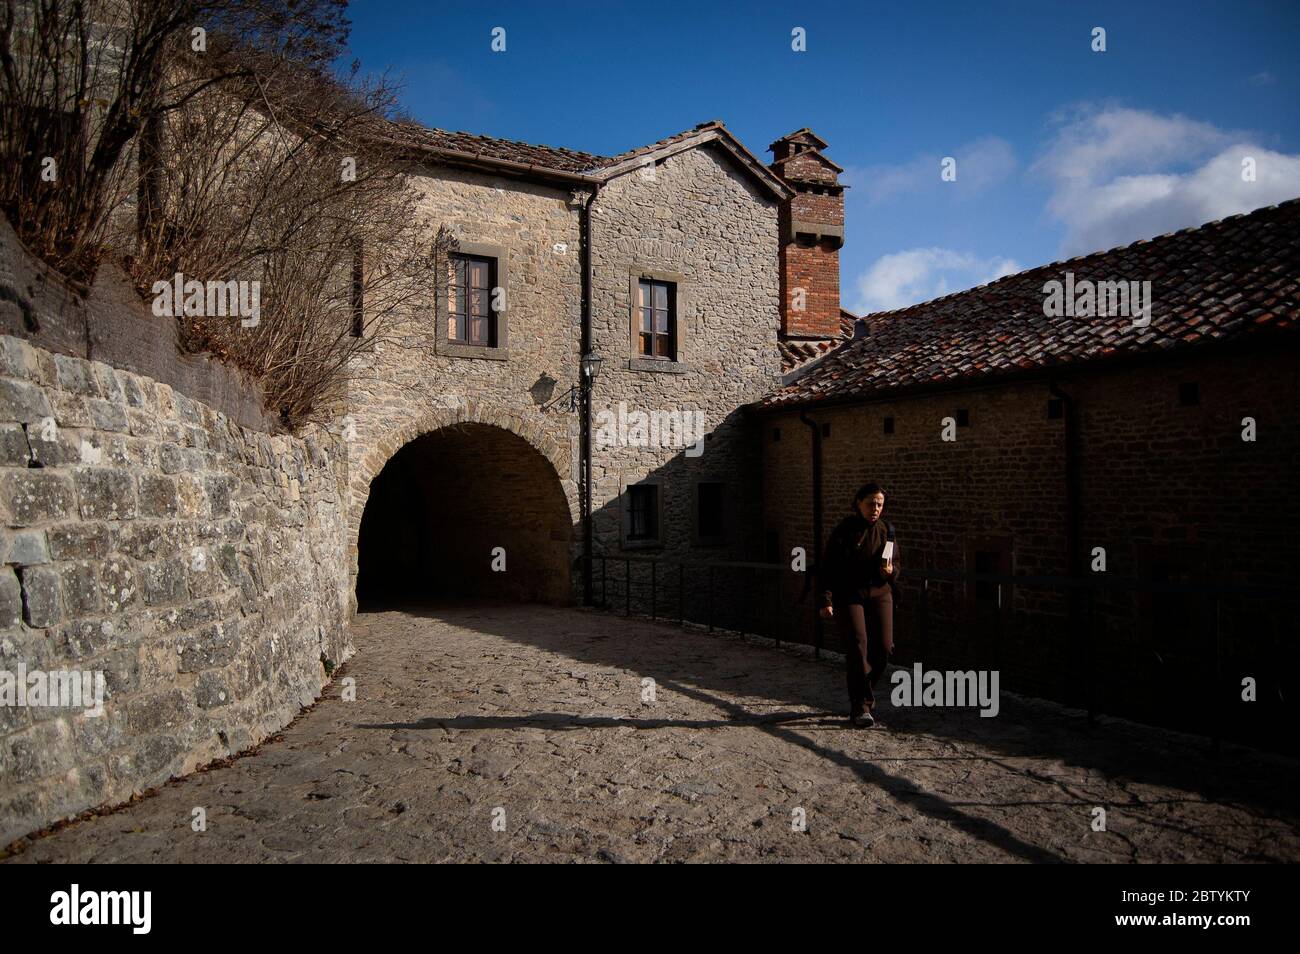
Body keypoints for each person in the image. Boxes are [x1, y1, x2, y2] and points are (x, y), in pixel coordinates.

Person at [819, 482, 899, 727]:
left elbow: (896, 563)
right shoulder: (844, 531)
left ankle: (864, 693)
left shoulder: (887, 530)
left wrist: (891, 571)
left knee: (884, 649)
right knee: (857, 648)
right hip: (849, 595)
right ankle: (860, 708)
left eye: (880, 504)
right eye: (871, 504)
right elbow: (828, 566)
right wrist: (826, 599)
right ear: (858, 504)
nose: (876, 509)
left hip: (880, 593)